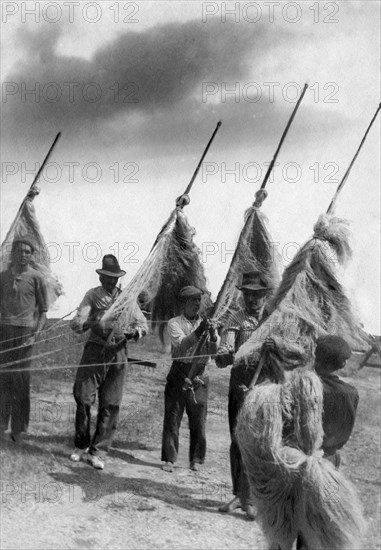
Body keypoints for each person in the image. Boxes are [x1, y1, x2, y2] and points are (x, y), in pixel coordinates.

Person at [70, 255, 148, 470]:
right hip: (95, 351)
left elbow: (143, 324)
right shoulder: (92, 296)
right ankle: (81, 444)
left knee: (111, 403)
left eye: (114, 278)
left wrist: (134, 333)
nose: (111, 281)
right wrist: (90, 323)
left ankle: (98, 451)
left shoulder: (126, 299)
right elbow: (77, 323)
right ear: (101, 276)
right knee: (83, 397)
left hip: (118, 353)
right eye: (107, 277)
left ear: (118, 278)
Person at [215, 271, 271, 520]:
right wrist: (225, 354)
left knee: (257, 441)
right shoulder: (236, 318)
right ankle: (239, 494)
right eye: (248, 295)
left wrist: (275, 346)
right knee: (238, 438)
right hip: (241, 379)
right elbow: (225, 348)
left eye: (257, 296)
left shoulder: (273, 320)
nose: (252, 300)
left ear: (264, 296)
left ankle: (251, 497)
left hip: (265, 383)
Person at [161, 285, 219, 472]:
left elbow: (214, 351)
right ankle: (169, 459)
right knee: (173, 416)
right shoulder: (174, 323)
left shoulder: (208, 323)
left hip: (200, 374)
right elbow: (182, 345)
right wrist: (198, 332)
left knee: (198, 419)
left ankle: (196, 459)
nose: (196, 304)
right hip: (179, 372)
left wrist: (211, 334)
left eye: (198, 300)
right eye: (192, 300)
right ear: (183, 303)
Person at [0, 237, 48, 443]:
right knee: (3, 379)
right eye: (19, 251)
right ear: (13, 253)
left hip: (25, 333)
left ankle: (19, 429)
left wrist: (35, 335)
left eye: (27, 252)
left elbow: (43, 311)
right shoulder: (2, 276)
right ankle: (1, 425)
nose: (23, 254)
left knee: (21, 380)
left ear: (31, 255)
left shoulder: (36, 277)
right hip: (3, 332)